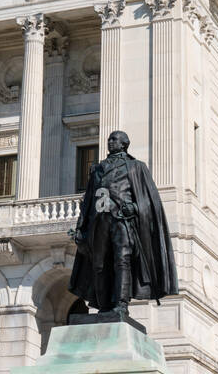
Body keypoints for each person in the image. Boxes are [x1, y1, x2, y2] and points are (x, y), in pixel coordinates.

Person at [68, 130, 179, 317]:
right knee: (99, 264)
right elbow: (87, 202)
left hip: (122, 222)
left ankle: (121, 303)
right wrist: (80, 227)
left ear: (124, 144)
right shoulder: (97, 169)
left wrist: (135, 208)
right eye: (109, 139)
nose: (110, 142)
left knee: (122, 260)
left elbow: (149, 200)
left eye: (114, 139)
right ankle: (103, 305)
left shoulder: (136, 167)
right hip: (98, 223)